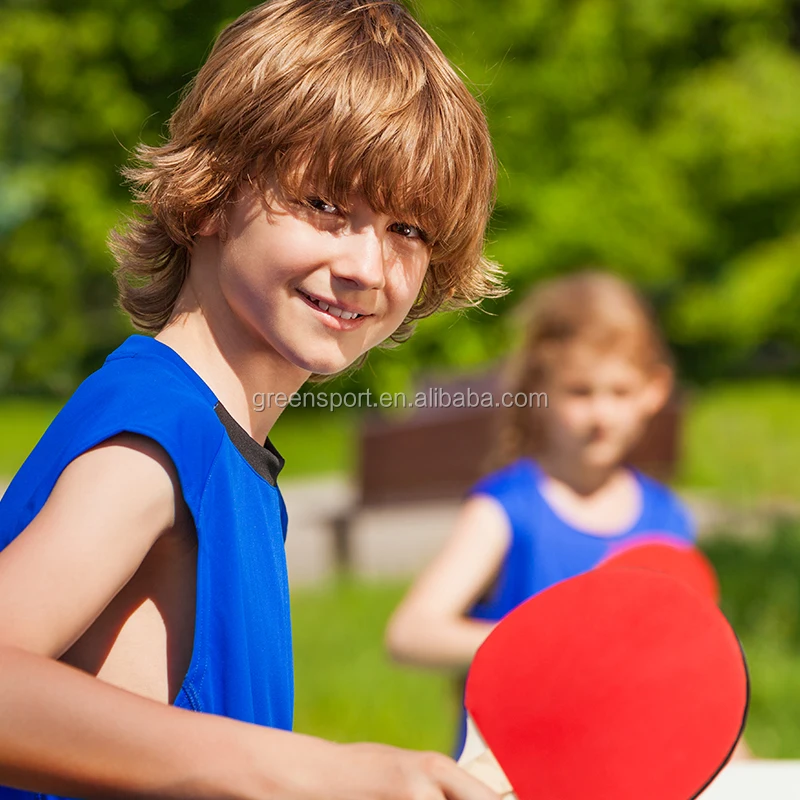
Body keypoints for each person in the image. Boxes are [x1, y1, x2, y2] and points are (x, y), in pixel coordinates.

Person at [0, 1, 506, 798]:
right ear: (209, 196)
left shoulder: (232, 457)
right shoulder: (158, 441)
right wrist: (317, 771)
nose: (367, 268)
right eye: (326, 207)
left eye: (407, 229)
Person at [385, 270, 695, 757]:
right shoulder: (506, 508)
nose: (600, 416)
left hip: (619, 767)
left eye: (619, 392)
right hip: (512, 769)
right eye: (579, 392)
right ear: (539, 390)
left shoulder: (669, 518)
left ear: (653, 390)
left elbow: (688, 669)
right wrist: (551, 645)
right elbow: (411, 633)